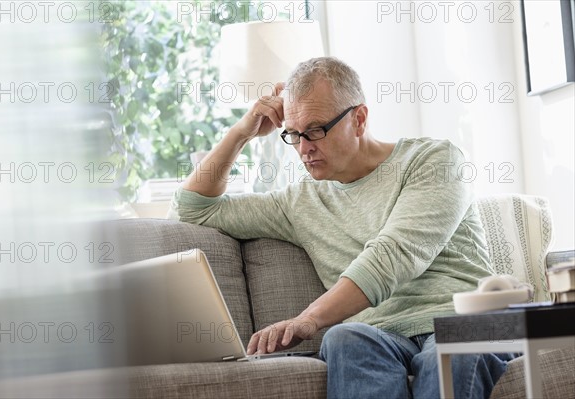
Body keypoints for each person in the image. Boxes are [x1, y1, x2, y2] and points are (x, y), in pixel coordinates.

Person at [169, 57, 516, 398]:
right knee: (343, 338)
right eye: (294, 134)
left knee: (454, 351)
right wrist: (242, 132)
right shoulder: (298, 202)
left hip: (458, 321)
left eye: (316, 130)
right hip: (380, 336)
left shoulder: (435, 161)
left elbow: (393, 256)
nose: (304, 148)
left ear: (359, 119)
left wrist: (309, 319)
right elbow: (193, 208)